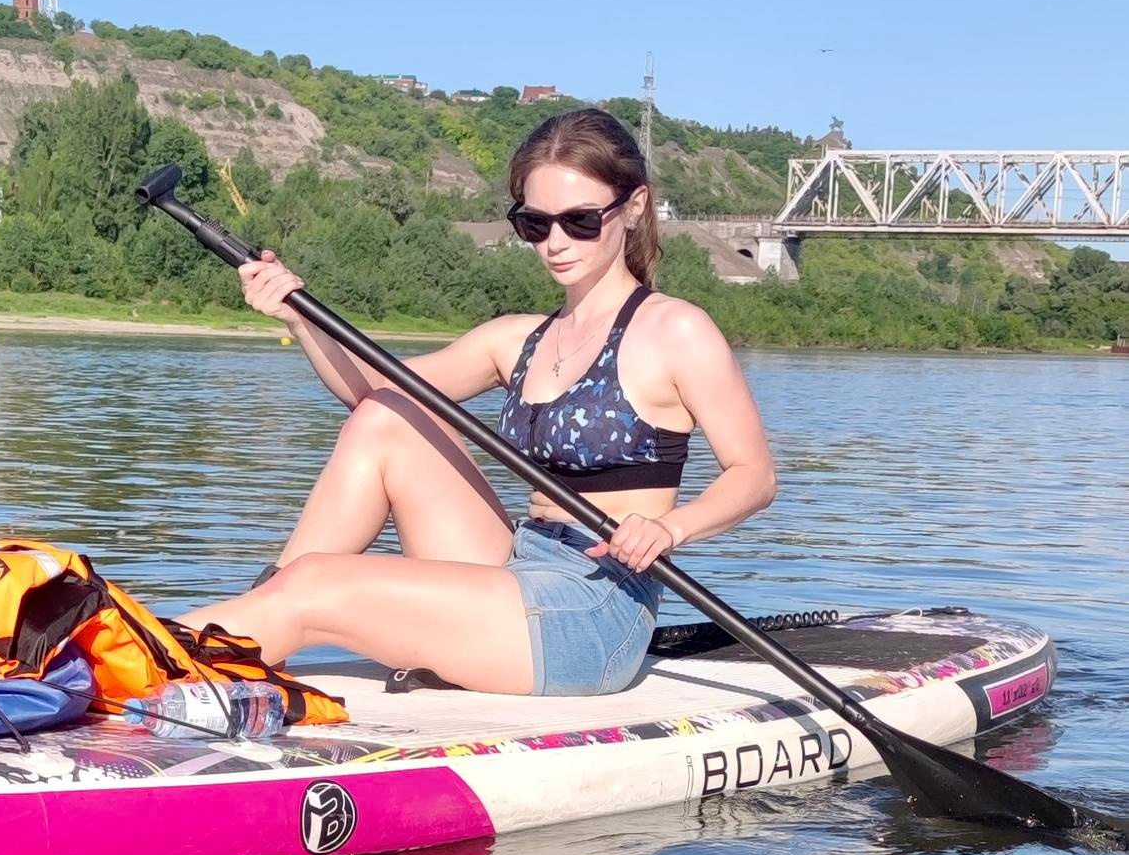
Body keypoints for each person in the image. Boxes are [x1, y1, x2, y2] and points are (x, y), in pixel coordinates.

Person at [192, 106, 777, 696]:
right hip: (517, 563)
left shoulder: (677, 330)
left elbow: (753, 476)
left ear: (634, 206)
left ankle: (161, 651)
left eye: (579, 221)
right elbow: (367, 392)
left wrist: (671, 529)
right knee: (387, 415)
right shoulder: (516, 337)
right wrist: (299, 315)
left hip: (597, 605)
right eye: (535, 223)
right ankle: (252, 622)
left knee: (316, 582)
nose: (555, 243)